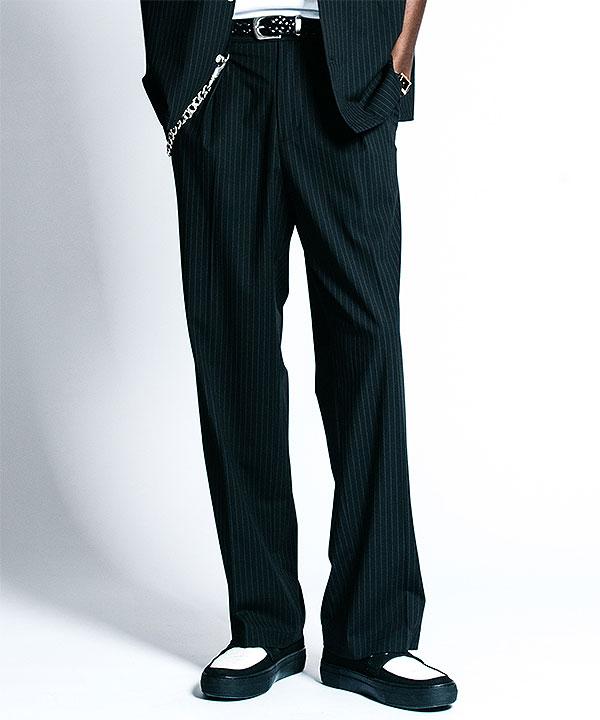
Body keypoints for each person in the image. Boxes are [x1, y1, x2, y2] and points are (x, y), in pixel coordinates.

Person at [139, 0, 457, 711]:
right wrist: (176, 74)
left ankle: (374, 635)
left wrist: (400, 58)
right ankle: (263, 623)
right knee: (234, 350)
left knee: (367, 350)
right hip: (219, 70)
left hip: (348, 74)